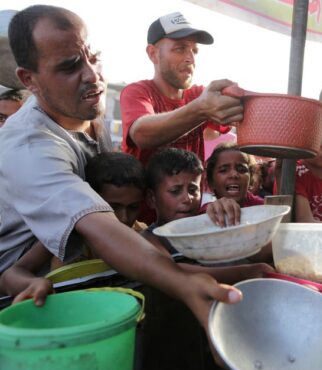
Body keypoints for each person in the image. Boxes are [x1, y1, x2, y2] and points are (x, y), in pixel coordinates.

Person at [0, 5, 241, 328]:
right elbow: (99, 225)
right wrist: (183, 284)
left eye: (94, 56)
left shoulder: (83, 112)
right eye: (70, 66)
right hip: (24, 299)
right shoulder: (29, 146)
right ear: (29, 79)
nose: (92, 74)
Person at [119, 11, 243, 168]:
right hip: (146, 193)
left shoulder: (199, 95)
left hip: (191, 193)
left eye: (194, 50)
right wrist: (201, 109)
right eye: (180, 48)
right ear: (153, 54)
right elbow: (141, 134)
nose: (190, 58)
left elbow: (247, 118)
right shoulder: (137, 91)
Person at [141, 147, 272, 279]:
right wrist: (245, 272)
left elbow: (262, 252)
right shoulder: (149, 239)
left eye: (193, 190)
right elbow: (171, 270)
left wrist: (232, 221)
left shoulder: (211, 225)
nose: (187, 199)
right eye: (175, 191)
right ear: (152, 199)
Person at [204, 143, 264, 210]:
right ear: (211, 181)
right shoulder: (204, 213)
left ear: (251, 179)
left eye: (241, 169)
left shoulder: (264, 209)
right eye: (224, 170)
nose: (234, 175)